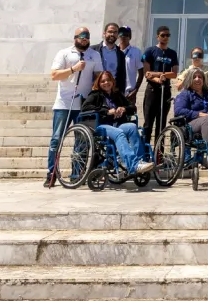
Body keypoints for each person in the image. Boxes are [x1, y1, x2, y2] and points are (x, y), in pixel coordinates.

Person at [44, 26, 103, 187]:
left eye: (87, 36)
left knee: (82, 141)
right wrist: (73, 69)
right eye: (81, 36)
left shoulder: (94, 54)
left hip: (83, 105)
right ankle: (51, 173)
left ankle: (76, 174)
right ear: (75, 38)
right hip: (64, 103)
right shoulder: (64, 53)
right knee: (57, 139)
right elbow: (54, 75)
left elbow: (99, 77)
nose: (84, 39)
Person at [81, 71, 152, 176]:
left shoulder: (117, 94)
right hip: (101, 125)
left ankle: (141, 162)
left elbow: (132, 107)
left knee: (132, 127)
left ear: (112, 81)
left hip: (117, 124)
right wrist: (106, 111)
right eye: (103, 81)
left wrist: (123, 109)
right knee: (118, 133)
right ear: (98, 83)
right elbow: (85, 107)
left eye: (108, 80)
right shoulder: (95, 94)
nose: (106, 83)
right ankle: (134, 165)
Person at [142, 26, 179, 146]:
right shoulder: (150, 51)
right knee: (148, 123)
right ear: (157, 37)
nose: (165, 37)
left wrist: (158, 74)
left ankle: (159, 153)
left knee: (161, 123)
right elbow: (147, 73)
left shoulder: (172, 53)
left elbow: (174, 74)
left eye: (168, 35)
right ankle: (145, 152)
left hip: (165, 90)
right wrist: (158, 78)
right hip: (152, 90)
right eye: (163, 35)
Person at [91, 22, 127, 94]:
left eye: (115, 32)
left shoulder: (121, 54)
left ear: (118, 35)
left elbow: (122, 76)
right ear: (104, 33)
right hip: (95, 91)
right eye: (110, 32)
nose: (112, 34)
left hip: (113, 92)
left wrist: (121, 93)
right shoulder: (93, 50)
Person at [117, 26, 144, 107]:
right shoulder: (113, 50)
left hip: (129, 93)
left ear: (130, 37)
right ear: (118, 36)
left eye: (126, 35)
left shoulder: (136, 52)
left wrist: (136, 90)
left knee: (128, 114)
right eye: (121, 34)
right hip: (114, 92)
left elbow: (141, 73)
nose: (123, 37)